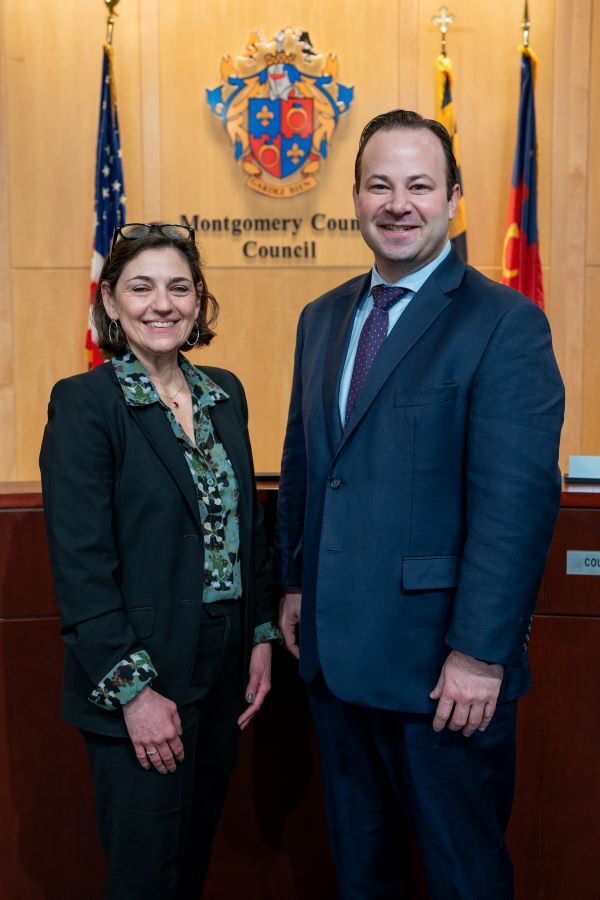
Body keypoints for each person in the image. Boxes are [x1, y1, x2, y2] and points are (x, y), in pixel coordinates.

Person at [275, 110, 564, 899]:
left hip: (443, 676)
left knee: (462, 879)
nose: (397, 203)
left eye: (419, 185)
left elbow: (517, 505)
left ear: (452, 198)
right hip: (336, 665)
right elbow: (307, 465)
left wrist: (480, 653)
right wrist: (297, 584)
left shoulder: (505, 323)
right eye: (379, 185)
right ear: (356, 197)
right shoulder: (322, 318)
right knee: (360, 878)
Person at [40, 223, 280, 899]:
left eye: (180, 287)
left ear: (200, 302)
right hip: (141, 677)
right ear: (111, 303)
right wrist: (135, 694)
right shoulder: (87, 403)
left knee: (192, 862)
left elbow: (248, 529)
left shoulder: (222, 393)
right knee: (146, 875)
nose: (162, 303)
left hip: (223, 664)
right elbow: (81, 564)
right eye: (140, 288)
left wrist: (259, 635)